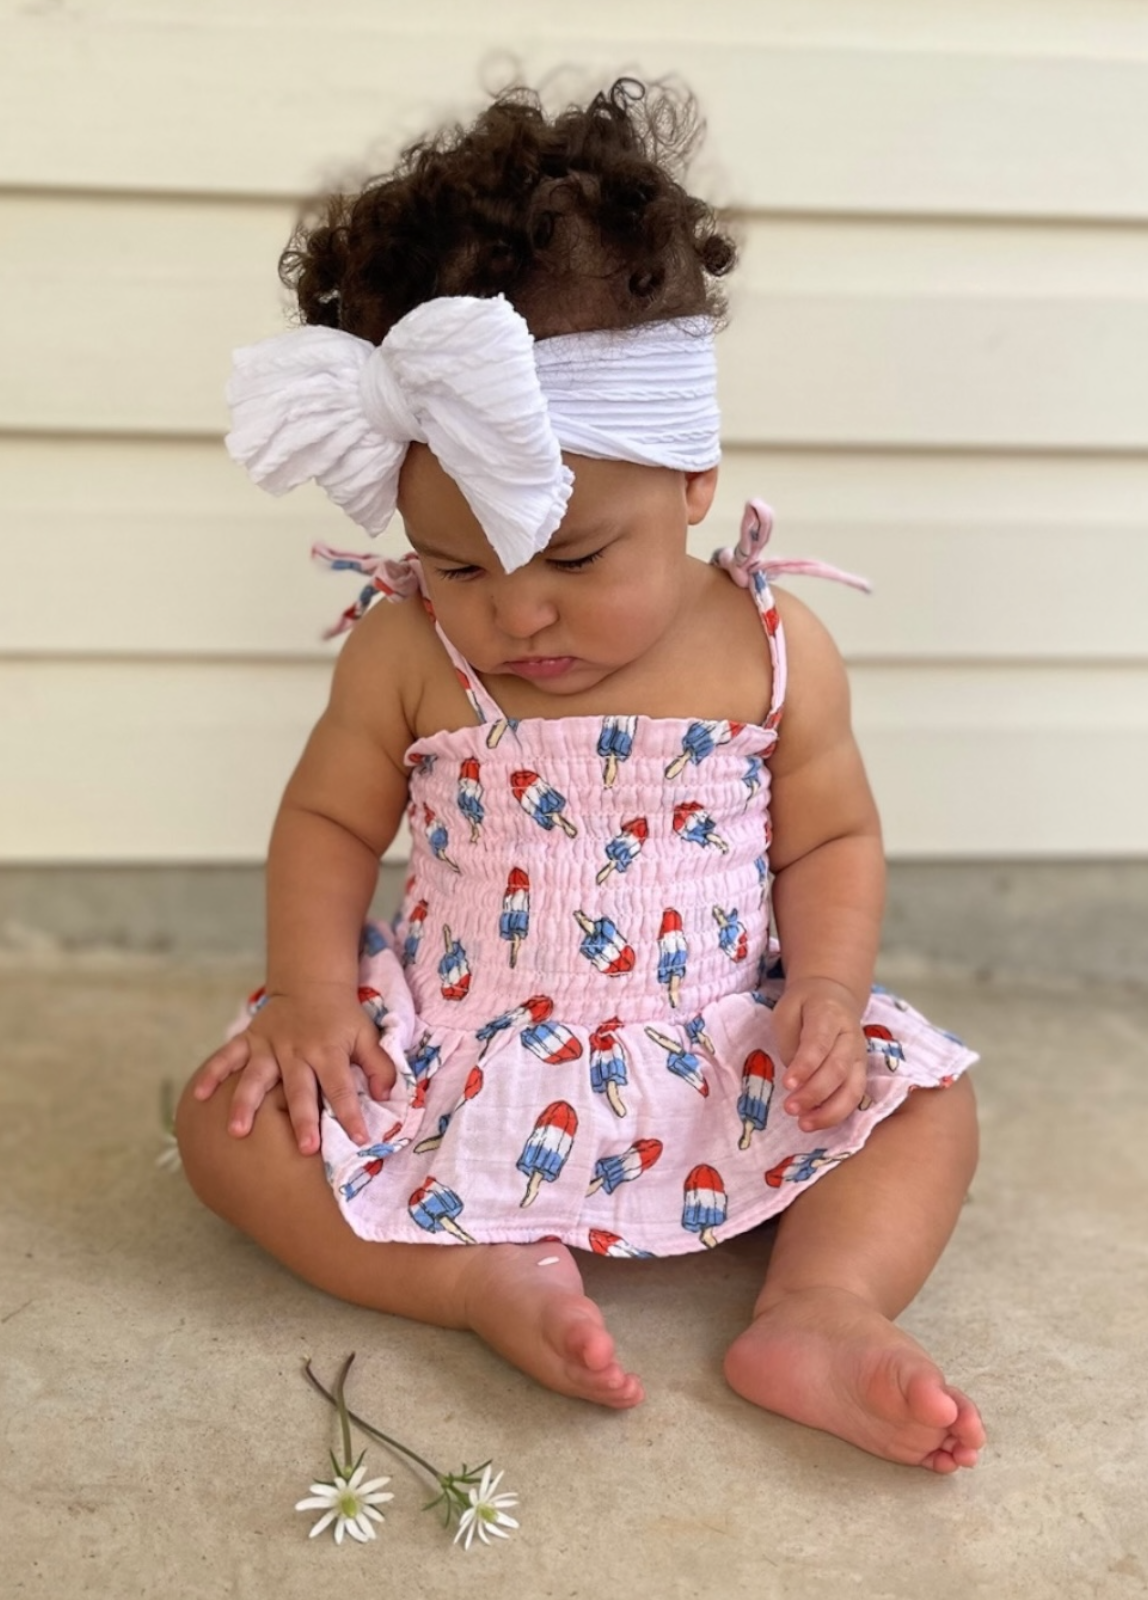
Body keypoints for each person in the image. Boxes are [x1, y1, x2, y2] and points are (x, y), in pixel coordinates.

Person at [176, 78, 984, 1473]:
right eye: (458, 563)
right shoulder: (404, 655)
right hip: (457, 1039)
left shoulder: (776, 651)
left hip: (718, 1039)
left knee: (930, 1107)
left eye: (574, 557)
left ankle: (821, 1307)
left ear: (689, 483)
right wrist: (314, 1001)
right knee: (224, 1124)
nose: (515, 613)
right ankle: (472, 1278)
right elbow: (325, 817)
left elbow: (831, 839)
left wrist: (833, 997)